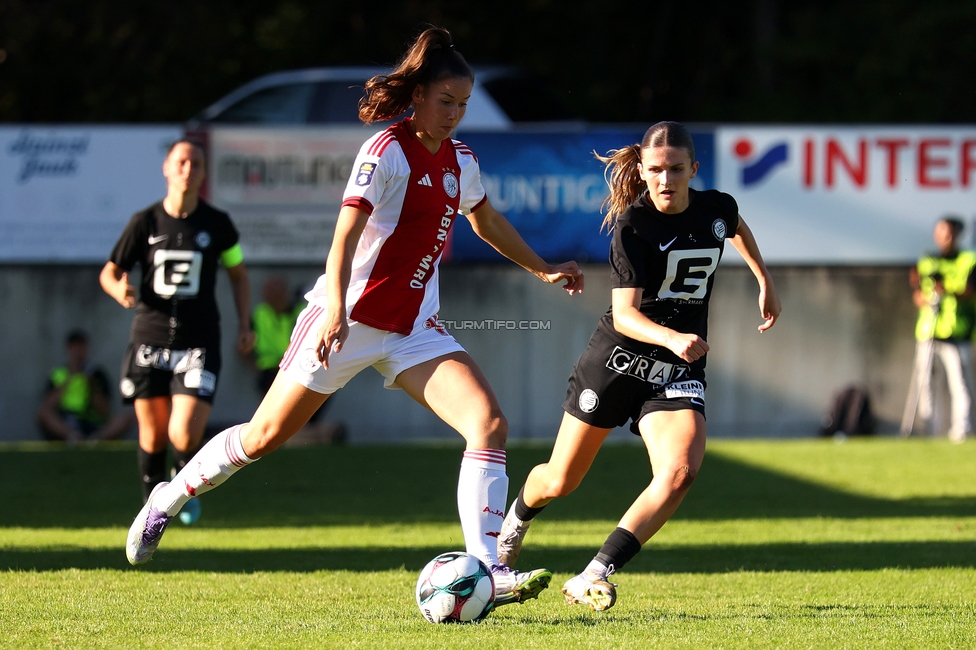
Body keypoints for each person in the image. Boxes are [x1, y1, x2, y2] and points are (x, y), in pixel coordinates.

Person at [124, 27, 584, 608]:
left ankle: (488, 570)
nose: (455, 116)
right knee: (262, 438)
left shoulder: (460, 160)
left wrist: (542, 268)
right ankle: (165, 498)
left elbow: (485, 220)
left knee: (489, 424)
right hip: (346, 321)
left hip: (414, 327)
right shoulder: (385, 151)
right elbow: (343, 236)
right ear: (417, 94)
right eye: (447, 102)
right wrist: (336, 309)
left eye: (464, 105)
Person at [496, 121, 781, 611]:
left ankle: (592, 573)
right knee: (561, 480)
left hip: (675, 372)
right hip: (616, 362)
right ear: (643, 172)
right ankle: (515, 522)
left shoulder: (717, 207)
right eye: (655, 170)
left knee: (680, 472)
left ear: (694, 168)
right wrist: (674, 337)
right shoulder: (633, 226)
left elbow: (735, 227)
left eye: (675, 169)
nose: (665, 179)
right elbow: (625, 316)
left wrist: (764, 279)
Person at [100, 138, 255, 524]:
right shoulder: (145, 222)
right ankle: (151, 514)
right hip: (149, 339)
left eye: (197, 164)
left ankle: (181, 488)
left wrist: (245, 323)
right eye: (182, 162)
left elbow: (237, 274)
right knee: (151, 436)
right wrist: (119, 287)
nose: (189, 169)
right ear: (167, 169)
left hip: (199, 341)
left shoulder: (218, 225)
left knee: (183, 435)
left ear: (203, 174)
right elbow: (110, 271)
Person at [251, 275, 344, 444]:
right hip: (269, 371)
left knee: (322, 385)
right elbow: (245, 346)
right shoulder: (260, 313)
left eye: (276, 293)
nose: (272, 297)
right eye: (269, 293)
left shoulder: (300, 311)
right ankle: (310, 436)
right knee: (279, 416)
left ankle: (303, 435)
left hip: (299, 366)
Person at [907, 217, 976, 442]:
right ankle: (931, 430)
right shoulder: (927, 260)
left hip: (956, 331)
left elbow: (970, 290)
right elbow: (917, 291)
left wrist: (946, 288)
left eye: (948, 232)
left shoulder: (968, 260)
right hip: (928, 330)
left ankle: (962, 431)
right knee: (926, 383)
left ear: (957, 234)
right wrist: (926, 296)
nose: (943, 237)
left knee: (960, 384)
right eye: (940, 232)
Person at [37, 329, 135, 443]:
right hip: (66, 421)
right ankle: (73, 437)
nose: (78, 351)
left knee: (127, 417)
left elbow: (105, 410)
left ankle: (95, 440)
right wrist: (69, 378)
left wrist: (91, 384)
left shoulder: (97, 374)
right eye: (75, 347)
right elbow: (47, 406)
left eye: (82, 347)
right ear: (68, 349)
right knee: (42, 414)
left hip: (92, 422)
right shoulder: (58, 373)